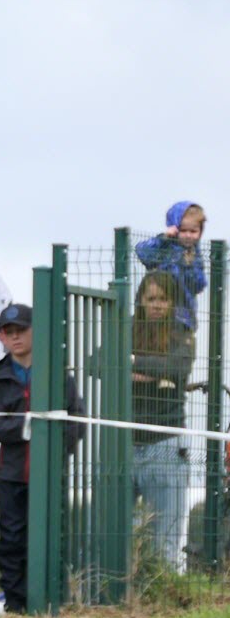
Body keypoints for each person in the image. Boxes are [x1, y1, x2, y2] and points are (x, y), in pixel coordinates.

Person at [0, 304, 85, 614]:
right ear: (1, 336)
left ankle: (53, 603)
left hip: (51, 475)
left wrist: (54, 449)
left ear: (35, 332)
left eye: (20, 331)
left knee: (53, 536)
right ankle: (15, 608)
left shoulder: (57, 373)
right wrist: (31, 425)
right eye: (7, 332)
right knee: (12, 540)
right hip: (11, 475)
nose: (14, 337)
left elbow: (77, 421)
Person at [130, 273, 195, 569]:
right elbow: (100, 362)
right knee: (112, 534)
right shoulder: (124, 330)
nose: (156, 305)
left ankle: (162, 602)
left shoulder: (183, 335)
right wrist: (158, 372)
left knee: (164, 540)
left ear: (172, 302)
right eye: (151, 299)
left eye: (163, 299)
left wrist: (131, 363)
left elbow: (177, 366)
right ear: (141, 301)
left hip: (166, 442)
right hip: (126, 443)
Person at [135, 202, 206, 331]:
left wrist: (189, 266)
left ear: (200, 232)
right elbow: (142, 252)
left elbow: (199, 284)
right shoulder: (165, 247)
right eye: (183, 230)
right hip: (156, 312)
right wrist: (163, 239)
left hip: (183, 316)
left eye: (193, 231)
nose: (188, 235)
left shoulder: (196, 255)